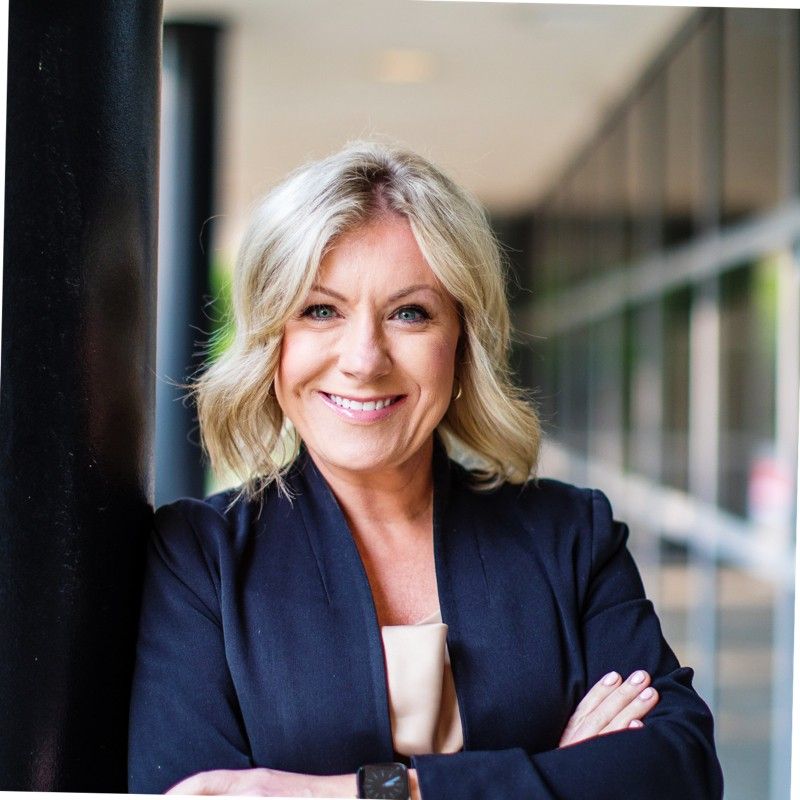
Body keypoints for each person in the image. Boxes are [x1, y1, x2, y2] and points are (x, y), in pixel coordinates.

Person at [128, 141, 723, 799]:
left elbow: (677, 770)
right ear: (273, 342)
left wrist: (361, 792)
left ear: (462, 341)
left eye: (409, 312)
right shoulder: (199, 560)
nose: (363, 358)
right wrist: (554, 771)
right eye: (320, 310)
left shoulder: (569, 535)